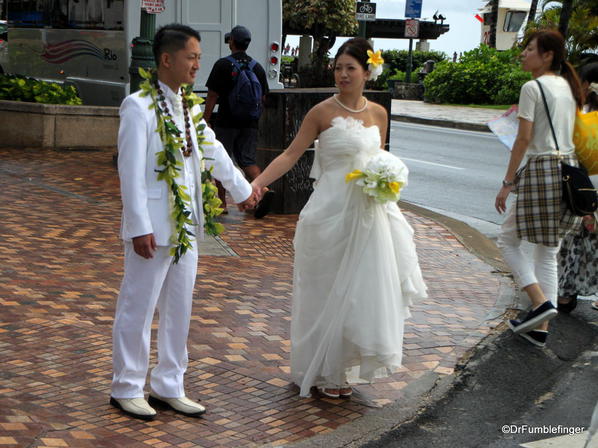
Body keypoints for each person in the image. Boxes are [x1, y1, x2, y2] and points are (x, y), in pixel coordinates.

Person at [251, 38, 428, 398]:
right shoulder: (320, 112)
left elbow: (382, 159)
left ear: (367, 71)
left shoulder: (379, 113)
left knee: (361, 293)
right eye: (338, 67)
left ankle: (341, 370)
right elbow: (290, 155)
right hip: (328, 214)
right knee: (324, 291)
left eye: (350, 68)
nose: (343, 74)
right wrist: (256, 183)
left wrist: (387, 183)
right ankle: (319, 366)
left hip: (369, 216)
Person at [111, 24, 255, 420]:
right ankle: (126, 386)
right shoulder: (138, 106)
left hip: (187, 224)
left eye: (198, 57)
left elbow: (214, 150)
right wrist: (140, 225)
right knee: (138, 305)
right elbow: (130, 171)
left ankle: (169, 384)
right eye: (191, 57)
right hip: (152, 226)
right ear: (166, 60)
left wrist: (242, 190)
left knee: (180, 305)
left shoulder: (188, 107)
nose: (197, 64)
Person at [495, 30, 584, 347]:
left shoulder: (532, 87)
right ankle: (540, 327)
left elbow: (523, 139)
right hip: (568, 168)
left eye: (529, 49)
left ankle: (539, 302)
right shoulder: (565, 86)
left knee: (507, 239)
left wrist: (507, 183)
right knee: (548, 252)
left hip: (541, 171)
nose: (523, 54)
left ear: (547, 55)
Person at [203, 25, 273, 218]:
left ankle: (222, 202)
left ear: (231, 41)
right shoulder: (257, 67)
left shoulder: (223, 65)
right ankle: (263, 190)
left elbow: (212, 95)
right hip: (249, 122)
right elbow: (264, 98)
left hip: (226, 121)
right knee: (248, 160)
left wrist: (205, 120)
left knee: (221, 159)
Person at [557, 62, 598, 313]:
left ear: (584, 84)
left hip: (584, 188)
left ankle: (565, 294)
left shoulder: (579, 113)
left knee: (573, 243)